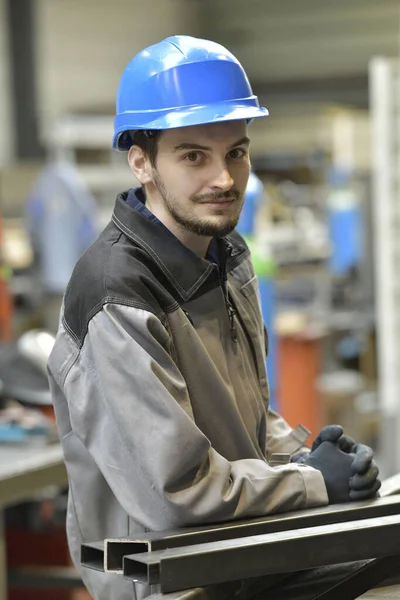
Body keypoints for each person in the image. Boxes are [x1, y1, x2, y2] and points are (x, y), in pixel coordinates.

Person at [47, 36, 381, 600]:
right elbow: (173, 492)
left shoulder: (225, 256)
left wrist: (303, 452)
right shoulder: (117, 295)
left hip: (245, 552)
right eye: (193, 155)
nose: (224, 179)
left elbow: (244, 415)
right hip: (174, 581)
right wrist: (310, 482)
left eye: (236, 152)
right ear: (141, 161)